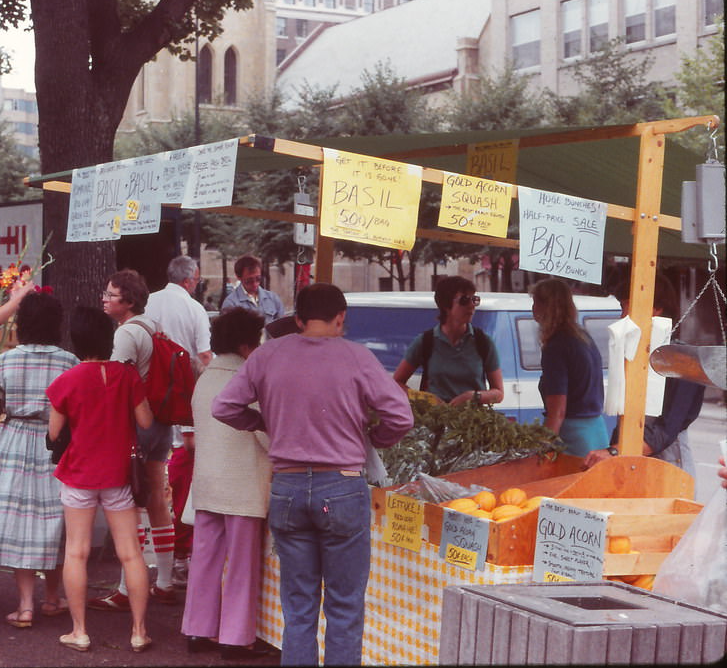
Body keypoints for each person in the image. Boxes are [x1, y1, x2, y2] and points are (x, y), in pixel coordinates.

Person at [212, 283, 414, 665]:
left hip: (286, 488)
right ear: (341, 319)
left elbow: (224, 407)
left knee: (299, 607)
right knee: (344, 607)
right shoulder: (358, 357)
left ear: (299, 320)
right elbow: (401, 417)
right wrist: (373, 437)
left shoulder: (267, 354)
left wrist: (263, 421)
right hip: (341, 486)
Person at [46, 306, 154, 654]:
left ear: (76, 340)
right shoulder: (126, 376)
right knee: (131, 553)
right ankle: (138, 631)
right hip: (119, 474)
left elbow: (54, 433)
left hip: (79, 474)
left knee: (76, 553)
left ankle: (79, 631)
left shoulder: (67, 380)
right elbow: (147, 422)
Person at [0, 291, 77, 628]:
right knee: (55, 519)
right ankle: (52, 597)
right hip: (56, 443)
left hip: (16, 441)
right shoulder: (68, 361)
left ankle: (24, 606)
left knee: (20, 521)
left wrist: (3, 406)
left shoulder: (7, 360)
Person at [181, 307, 274, 660]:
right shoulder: (251, 378)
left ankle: (197, 628)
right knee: (242, 564)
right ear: (248, 342)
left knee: (204, 558)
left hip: (206, 482)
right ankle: (235, 639)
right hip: (243, 484)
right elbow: (266, 432)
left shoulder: (205, 377)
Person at [90, 269, 178, 609]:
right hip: (160, 422)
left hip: (137, 424)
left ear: (128, 302)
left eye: (111, 295)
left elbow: (116, 384)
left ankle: (128, 588)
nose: (105, 298)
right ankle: (166, 582)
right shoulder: (153, 326)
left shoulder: (126, 334)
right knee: (156, 498)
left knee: (132, 505)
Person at [583, 275, 704, 473]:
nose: (622, 316)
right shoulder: (633, 357)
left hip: (668, 464)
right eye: (622, 307)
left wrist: (615, 452)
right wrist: (613, 451)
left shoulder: (683, 361)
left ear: (656, 309)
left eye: (627, 306)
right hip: (628, 457)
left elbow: (666, 430)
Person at [144, 255, 213, 589]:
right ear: (191, 279)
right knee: (184, 479)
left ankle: (160, 565)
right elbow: (204, 356)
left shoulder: (148, 303)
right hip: (185, 404)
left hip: (149, 403)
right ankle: (181, 557)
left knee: (153, 487)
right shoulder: (194, 310)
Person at [393, 275, 503, 406]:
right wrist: (424, 399)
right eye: (464, 300)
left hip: (472, 422)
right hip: (434, 421)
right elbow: (396, 383)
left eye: (474, 300)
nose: (471, 306)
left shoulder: (483, 342)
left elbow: (498, 393)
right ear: (446, 305)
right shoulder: (425, 342)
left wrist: (473, 397)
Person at [530, 278, 607, 457]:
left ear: (545, 307)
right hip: (597, 431)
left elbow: (558, 411)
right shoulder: (582, 336)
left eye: (535, 303)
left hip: (574, 438)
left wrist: (539, 449)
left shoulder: (556, 346)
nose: (532, 309)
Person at [220, 254, 285, 324]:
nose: (255, 284)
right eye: (249, 281)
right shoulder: (231, 304)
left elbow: (283, 328)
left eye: (258, 279)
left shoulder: (273, 299)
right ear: (238, 277)